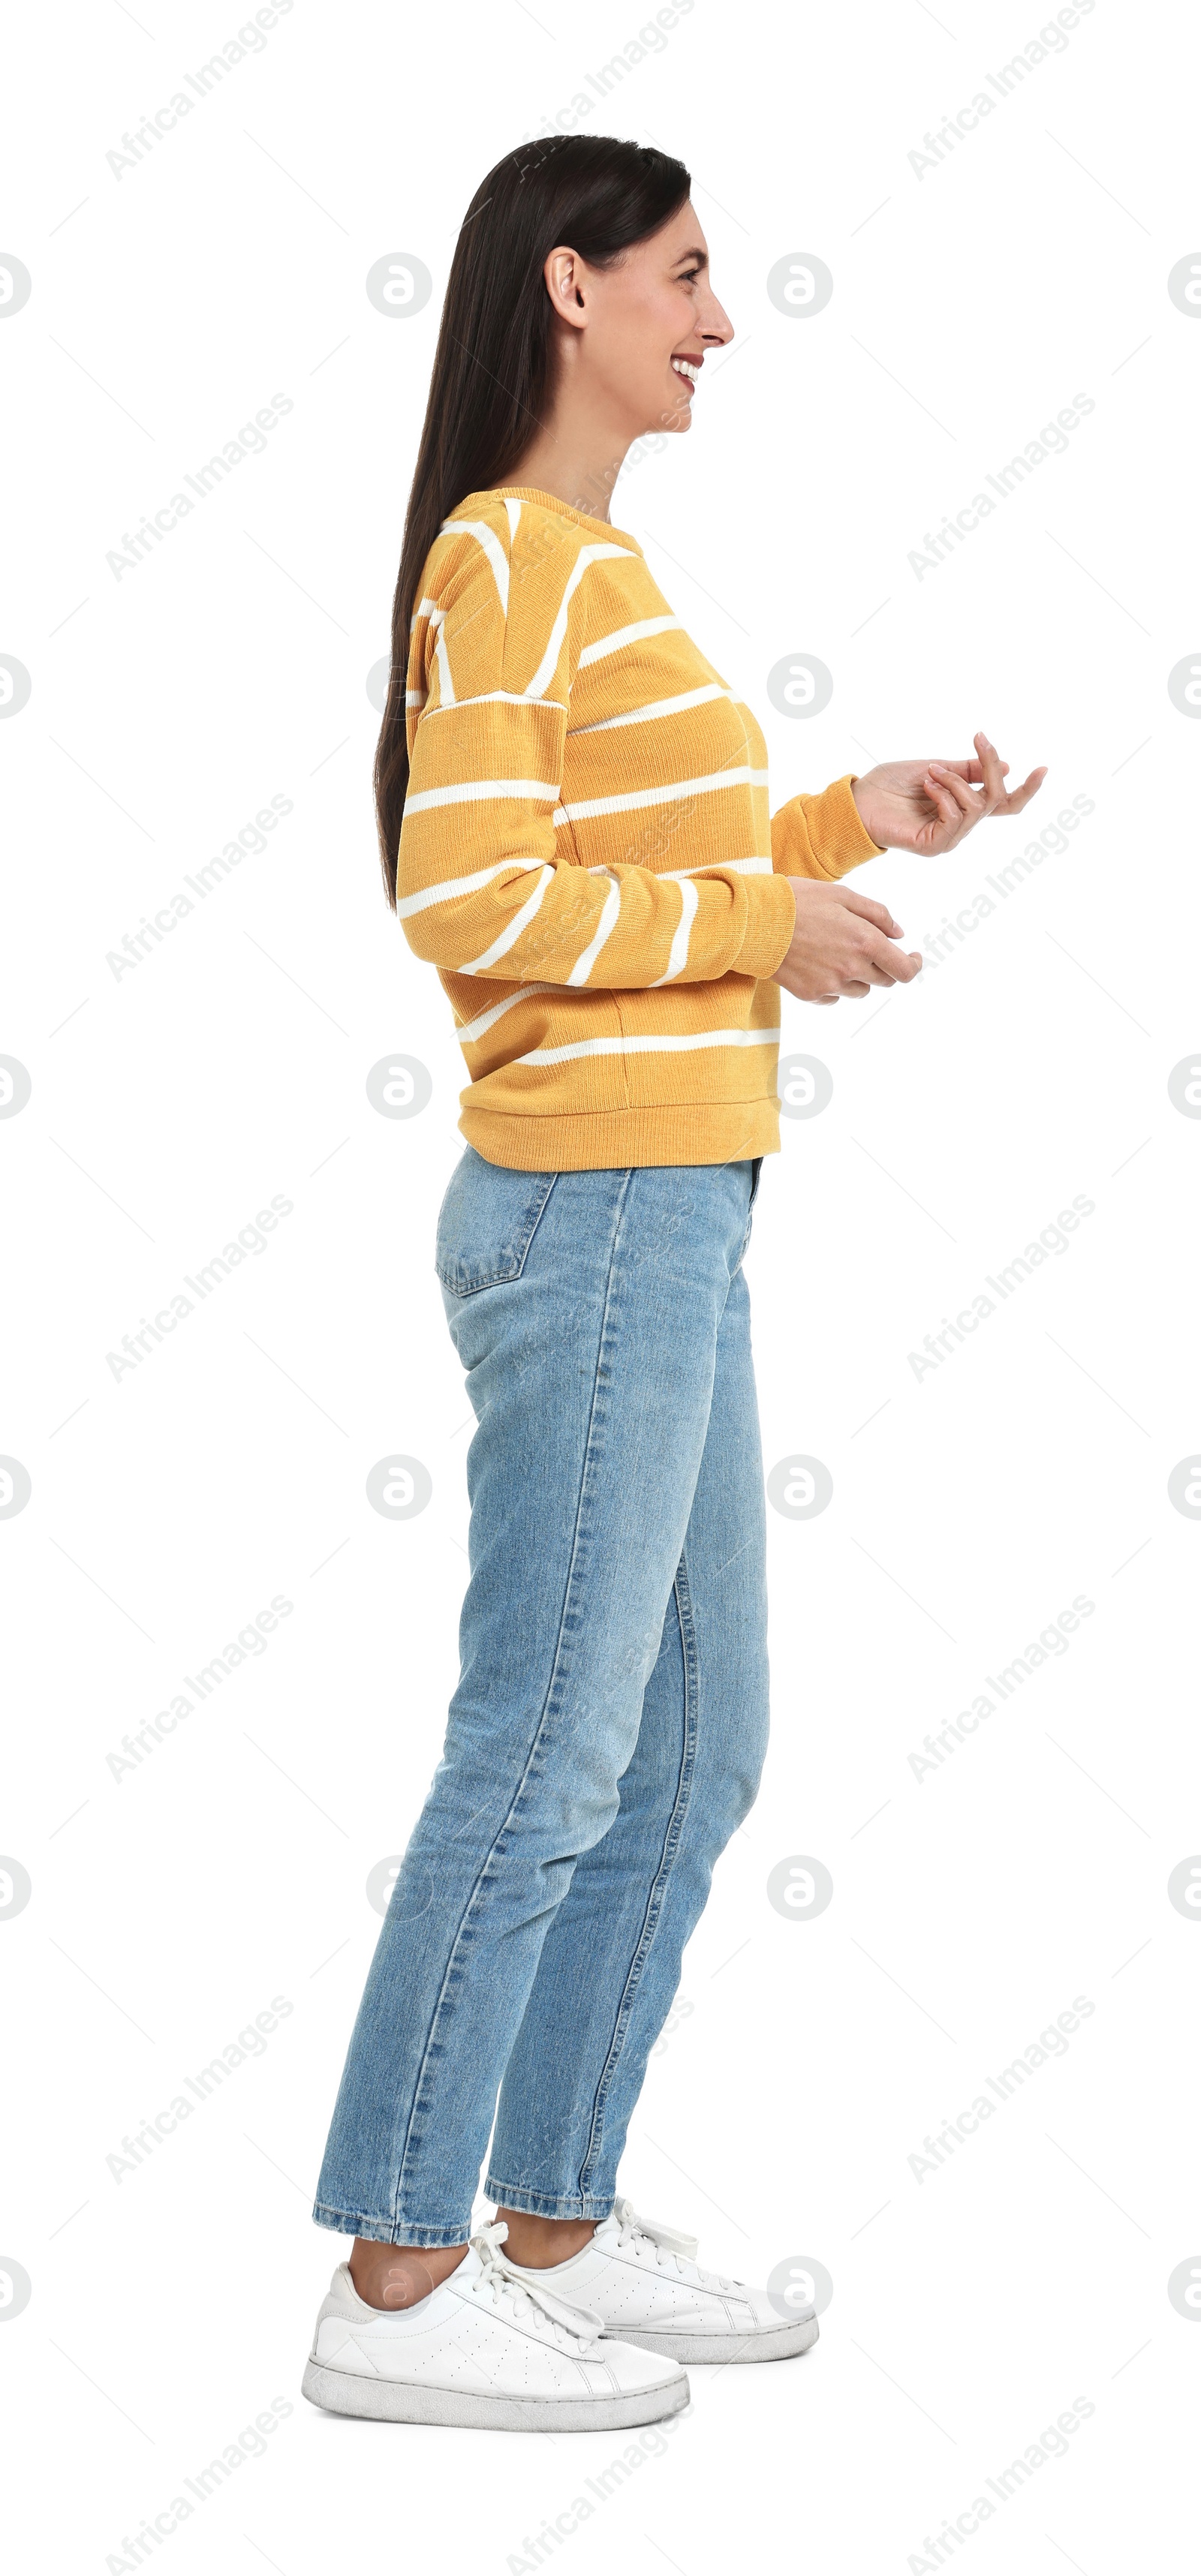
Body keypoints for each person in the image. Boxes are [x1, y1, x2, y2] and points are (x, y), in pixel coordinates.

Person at [303, 134, 1046, 2433]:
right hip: (595, 1208)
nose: (721, 319)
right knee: (547, 1743)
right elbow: (465, 898)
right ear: (574, 288)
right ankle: (400, 2282)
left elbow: (637, 859)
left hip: (680, 1207)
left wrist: (842, 826)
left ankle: (552, 2214)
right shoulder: (501, 560)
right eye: (692, 276)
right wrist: (756, 927)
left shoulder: (592, 575)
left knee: (692, 1747)